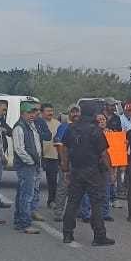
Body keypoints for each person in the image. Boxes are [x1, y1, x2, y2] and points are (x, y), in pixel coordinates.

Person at [61, 108, 115, 246]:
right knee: (96, 203)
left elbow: (64, 151)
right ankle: (99, 236)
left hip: (76, 170)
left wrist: (66, 170)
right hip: (93, 171)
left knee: (73, 202)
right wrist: (111, 172)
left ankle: (67, 234)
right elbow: (104, 154)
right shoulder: (95, 130)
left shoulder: (71, 128)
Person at [10, 102, 42, 234]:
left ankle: (20, 220)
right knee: (26, 195)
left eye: (33, 112)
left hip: (31, 164)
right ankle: (24, 223)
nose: (32, 115)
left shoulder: (30, 126)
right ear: (22, 113)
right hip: (26, 165)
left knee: (23, 193)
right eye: (29, 113)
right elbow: (19, 149)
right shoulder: (19, 127)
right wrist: (30, 161)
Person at [79, 113, 114, 222]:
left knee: (106, 189)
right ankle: (87, 213)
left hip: (105, 165)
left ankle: (105, 212)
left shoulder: (112, 133)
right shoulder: (89, 133)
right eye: (99, 120)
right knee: (89, 190)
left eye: (103, 119)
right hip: (92, 165)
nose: (101, 121)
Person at [52, 105, 80, 222]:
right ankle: (58, 212)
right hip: (67, 163)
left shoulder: (81, 127)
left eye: (77, 112)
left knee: (77, 189)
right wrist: (64, 162)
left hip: (79, 163)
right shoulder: (63, 127)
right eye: (72, 112)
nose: (75, 114)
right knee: (63, 188)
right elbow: (59, 145)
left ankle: (75, 212)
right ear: (68, 113)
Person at [37, 104, 61, 208]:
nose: (50, 113)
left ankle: (52, 200)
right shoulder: (37, 123)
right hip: (39, 155)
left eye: (51, 110)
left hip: (53, 155)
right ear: (42, 112)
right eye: (47, 111)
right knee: (35, 179)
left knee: (52, 180)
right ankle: (33, 204)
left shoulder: (57, 124)